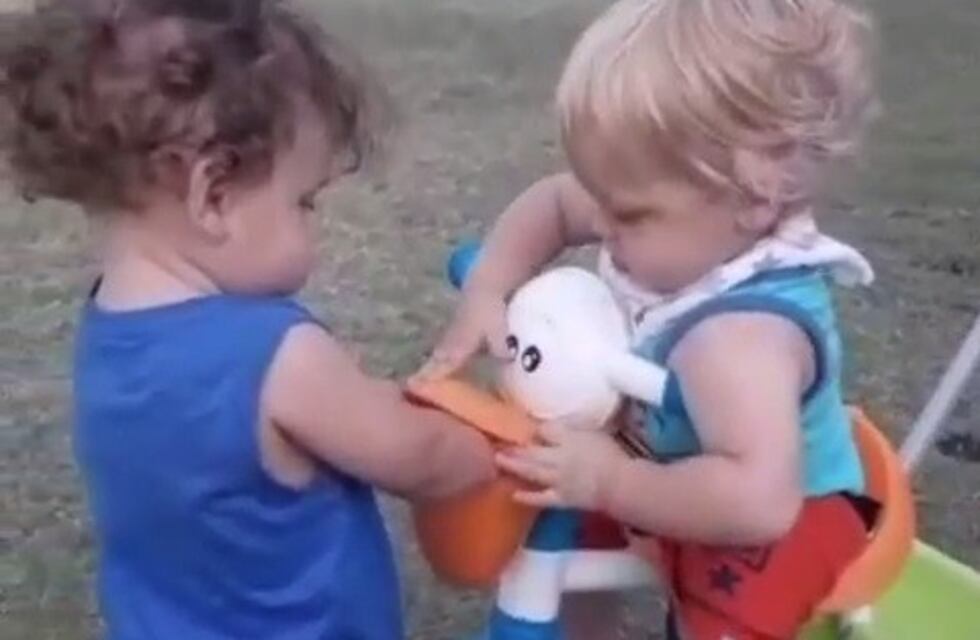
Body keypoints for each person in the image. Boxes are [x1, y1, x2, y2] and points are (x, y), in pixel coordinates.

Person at [0, 1, 494, 638]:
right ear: (214, 196)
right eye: (303, 203)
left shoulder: (107, 331)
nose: (311, 234)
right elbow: (416, 456)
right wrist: (483, 450)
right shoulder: (273, 354)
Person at [417, 0, 879, 638]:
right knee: (564, 521)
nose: (600, 225)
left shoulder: (738, 342)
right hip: (656, 461)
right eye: (601, 197)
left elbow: (758, 502)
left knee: (723, 613)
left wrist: (610, 480)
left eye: (628, 214)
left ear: (754, 197)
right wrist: (488, 289)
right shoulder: (680, 213)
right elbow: (554, 203)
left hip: (787, 512)